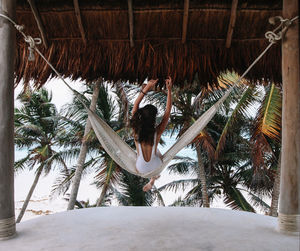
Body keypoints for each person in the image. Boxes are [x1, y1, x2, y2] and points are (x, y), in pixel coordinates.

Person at [130, 77, 172, 192]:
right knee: (157, 152)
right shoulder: (157, 132)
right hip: (155, 167)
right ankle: (152, 180)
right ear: (154, 119)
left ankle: (153, 179)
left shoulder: (136, 130)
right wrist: (168, 90)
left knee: (140, 154)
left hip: (140, 167)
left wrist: (147, 87)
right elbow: (167, 113)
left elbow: (135, 106)